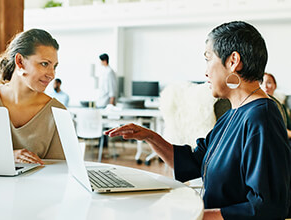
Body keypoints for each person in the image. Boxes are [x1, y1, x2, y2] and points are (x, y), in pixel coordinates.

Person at [105, 21, 291, 219]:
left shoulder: (262, 117)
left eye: (208, 58)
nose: (205, 72)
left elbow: (268, 208)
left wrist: (196, 216)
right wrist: (150, 137)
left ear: (233, 61)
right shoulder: (232, 115)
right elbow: (194, 162)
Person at [0, 29, 66, 165]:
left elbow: (58, 170)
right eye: (44, 64)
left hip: (35, 186)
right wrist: (6, 156)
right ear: (20, 62)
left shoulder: (57, 112)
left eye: (54, 66)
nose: (51, 75)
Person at [261, 72, 291, 138]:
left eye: (269, 83)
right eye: (262, 83)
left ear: (275, 86)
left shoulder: (281, 106)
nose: (265, 86)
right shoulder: (259, 107)